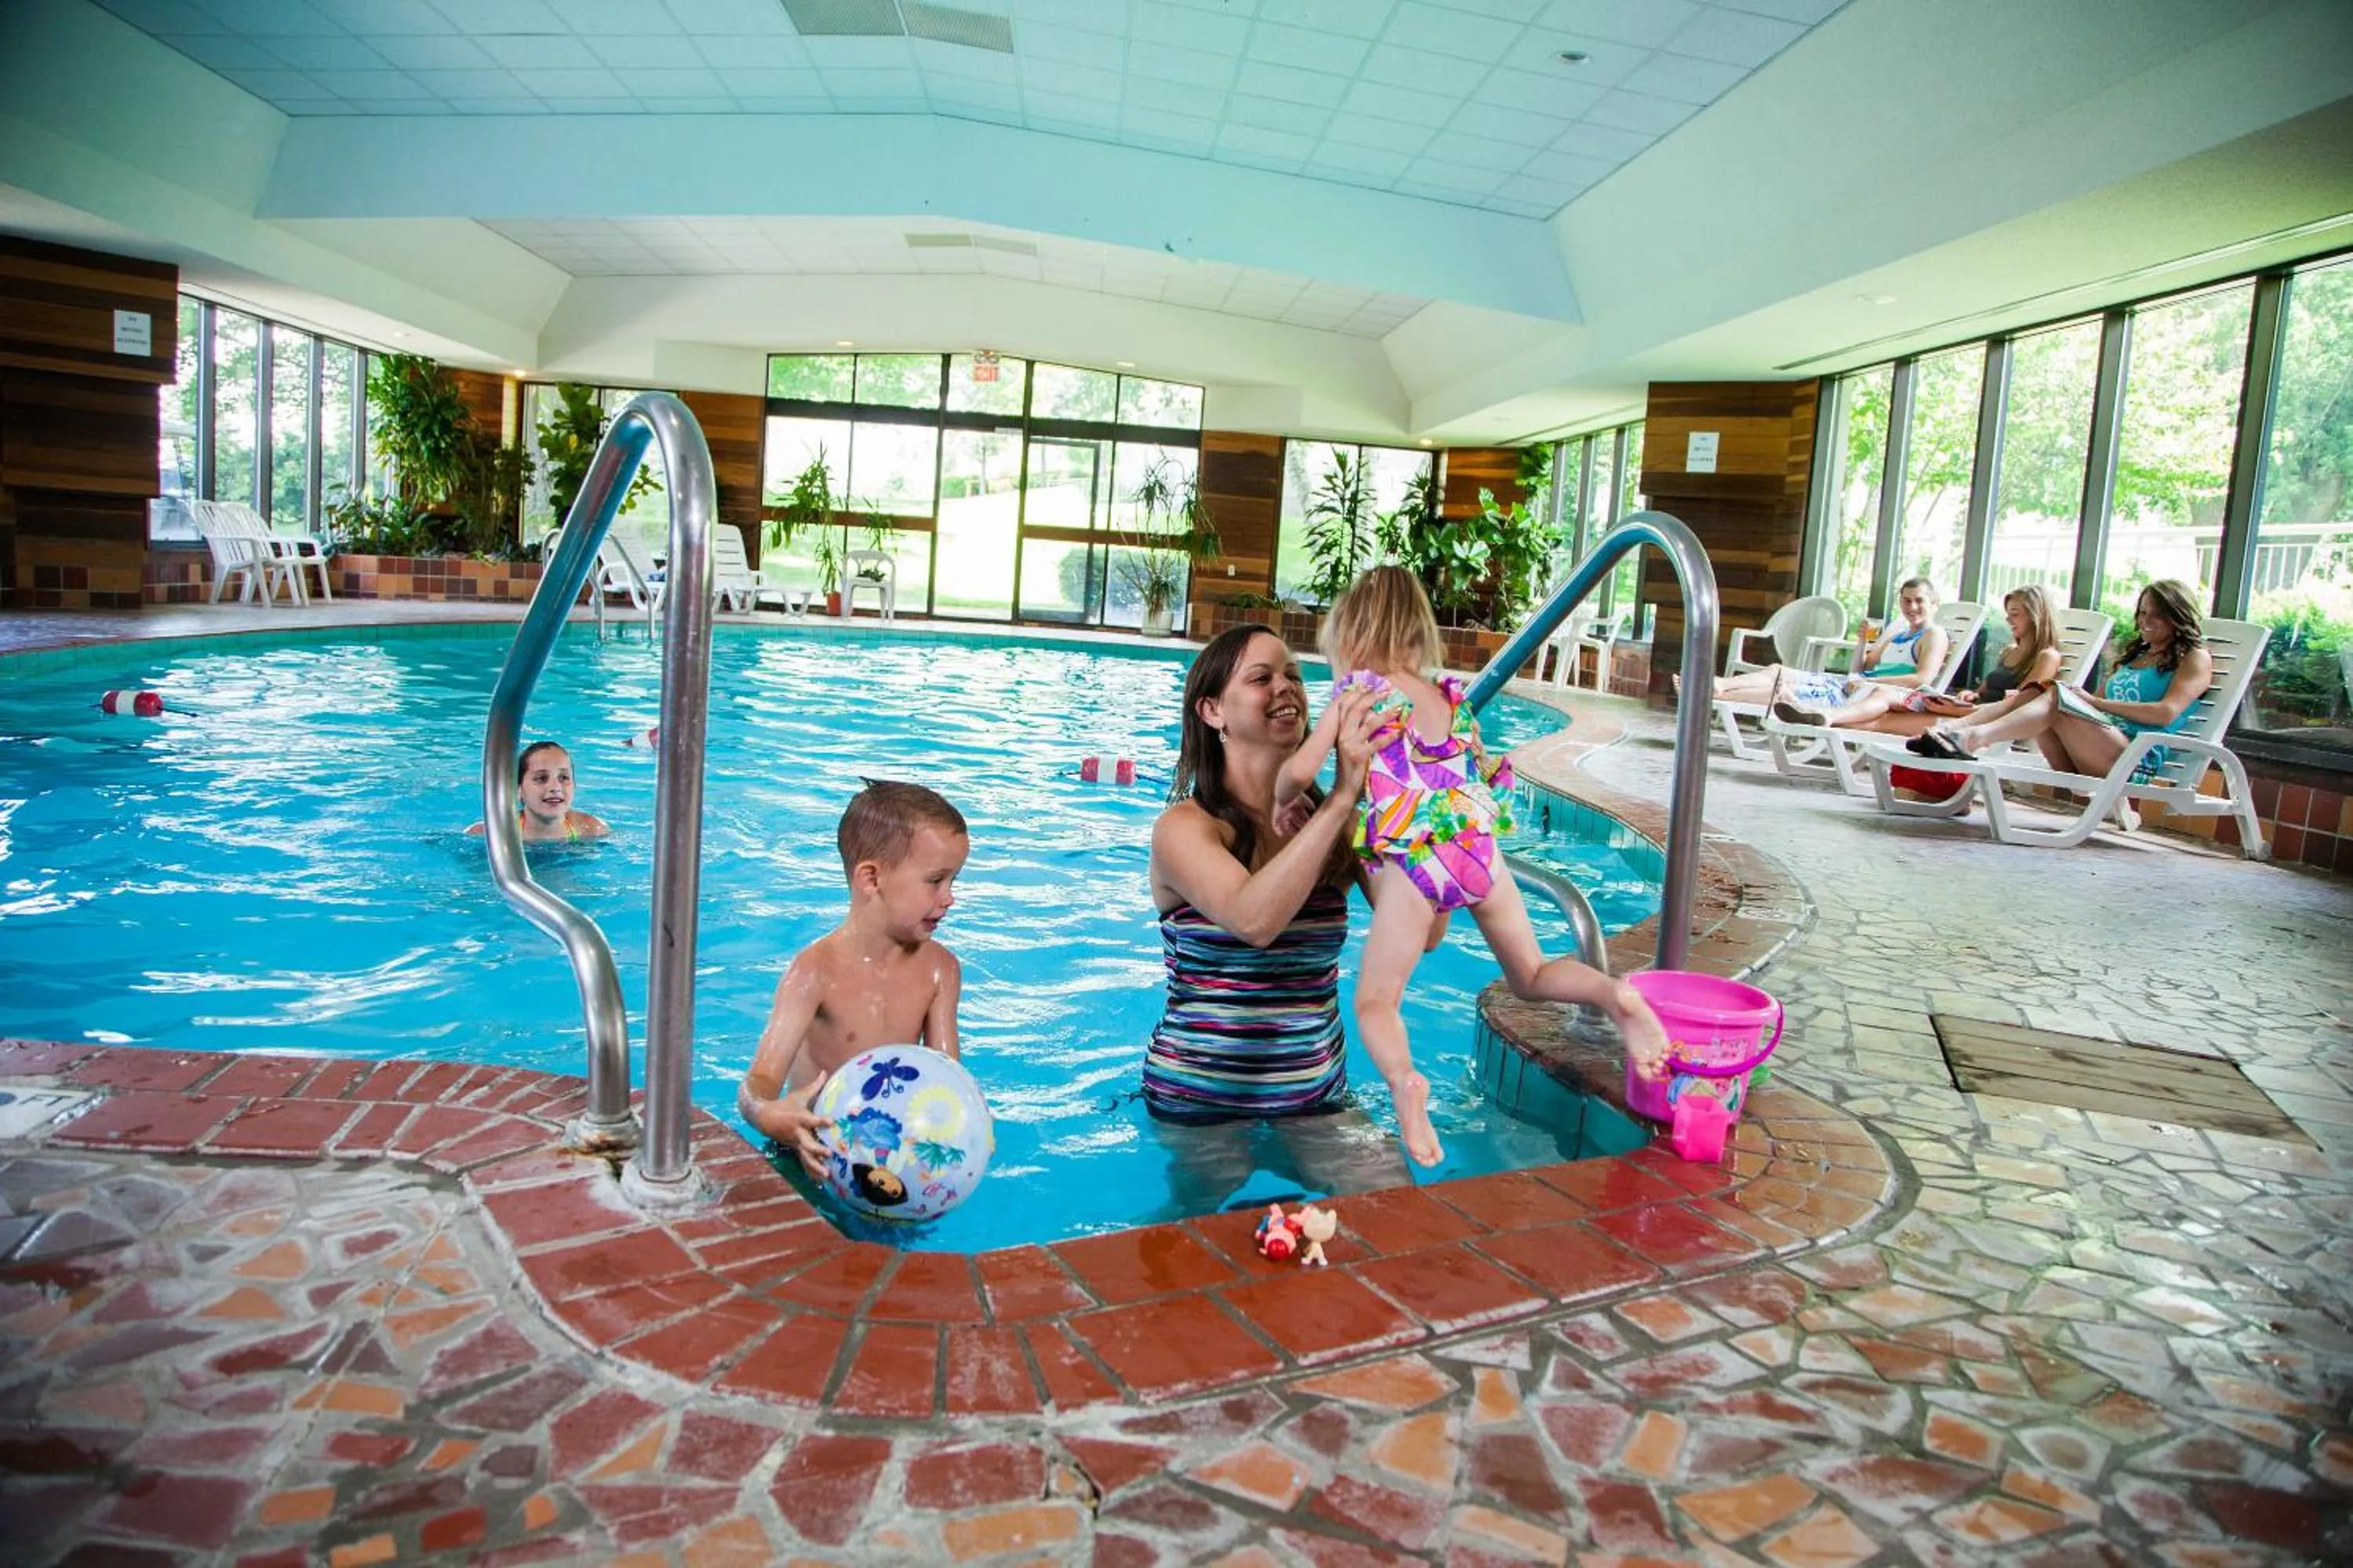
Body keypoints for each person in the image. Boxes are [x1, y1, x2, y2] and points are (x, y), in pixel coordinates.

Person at [1274, 566, 1670, 1169]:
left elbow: (1298, 772)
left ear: (1352, 635)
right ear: (1414, 633)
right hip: (1479, 849)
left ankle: (1405, 1083)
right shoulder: (1448, 697)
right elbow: (1469, 773)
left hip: (1418, 861)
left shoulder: (1358, 691)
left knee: (1376, 1002)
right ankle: (1617, 997)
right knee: (1531, 973)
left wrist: (1282, 797)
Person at [1145, 624, 1415, 1210]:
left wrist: (1430, 814)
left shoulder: (1338, 820)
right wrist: (1342, 797)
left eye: (1292, 673)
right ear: (1212, 710)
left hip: (1314, 1095)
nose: (1286, 687)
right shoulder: (1185, 828)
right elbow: (1254, 920)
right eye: (1261, 677)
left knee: (1392, 1205)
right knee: (1190, 1244)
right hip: (1201, 1102)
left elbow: (1425, 932)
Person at [738, 780, 968, 1177]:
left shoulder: (940, 970)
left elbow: (947, 1078)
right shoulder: (814, 971)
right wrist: (771, 1116)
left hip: (893, 1156)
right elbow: (759, 1081)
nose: (949, 897)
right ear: (872, 879)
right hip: (808, 1154)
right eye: (936, 881)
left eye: (954, 882)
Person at [1907, 579, 2213, 783]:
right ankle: (1950, 731)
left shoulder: (2195, 658)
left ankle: (1970, 739)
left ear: (2177, 616)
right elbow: (2098, 711)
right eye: (2142, 613)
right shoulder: (2137, 657)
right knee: (2042, 690)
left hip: (2135, 760)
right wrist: (2082, 700)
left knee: (2054, 694)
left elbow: (2166, 713)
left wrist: (2093, 702)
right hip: (2098, 750)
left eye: (2155, 615)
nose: (2144, 622)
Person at [1768, 584, 2065, 734]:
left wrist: (1964, 710)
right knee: (1884, 709)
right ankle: (1820, 717)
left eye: (2016, 614)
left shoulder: (2047, 656)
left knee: (1881, 716)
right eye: (2008, 614)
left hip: (1982, 722)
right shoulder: (2009, 652)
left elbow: (2021, 704)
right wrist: (1969, 695)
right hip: (1963, 710)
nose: (2010, 621)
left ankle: (1821, 716)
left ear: (2037, 616)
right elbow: (1985, 693)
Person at [1713, 577, 1949, 714]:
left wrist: (1867, 682)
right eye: (1907, 601)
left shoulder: (1933, 635)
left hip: (1865, 694)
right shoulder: (1899, 634)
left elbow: (1922, 680)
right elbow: (1860, 667)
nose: (1912, 607)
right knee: (1777, 670)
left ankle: (1715, 697)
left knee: (1785, 691)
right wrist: (1862, 642)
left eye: (1920, 600)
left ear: (1934, 603)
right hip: (1852, 685)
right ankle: (1721, 685)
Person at [466, 740, 609, 843]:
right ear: (518, 789)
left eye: (564, 778)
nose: (555, 787)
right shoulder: (489, 834)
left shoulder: (592, 830)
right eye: (541, 778)